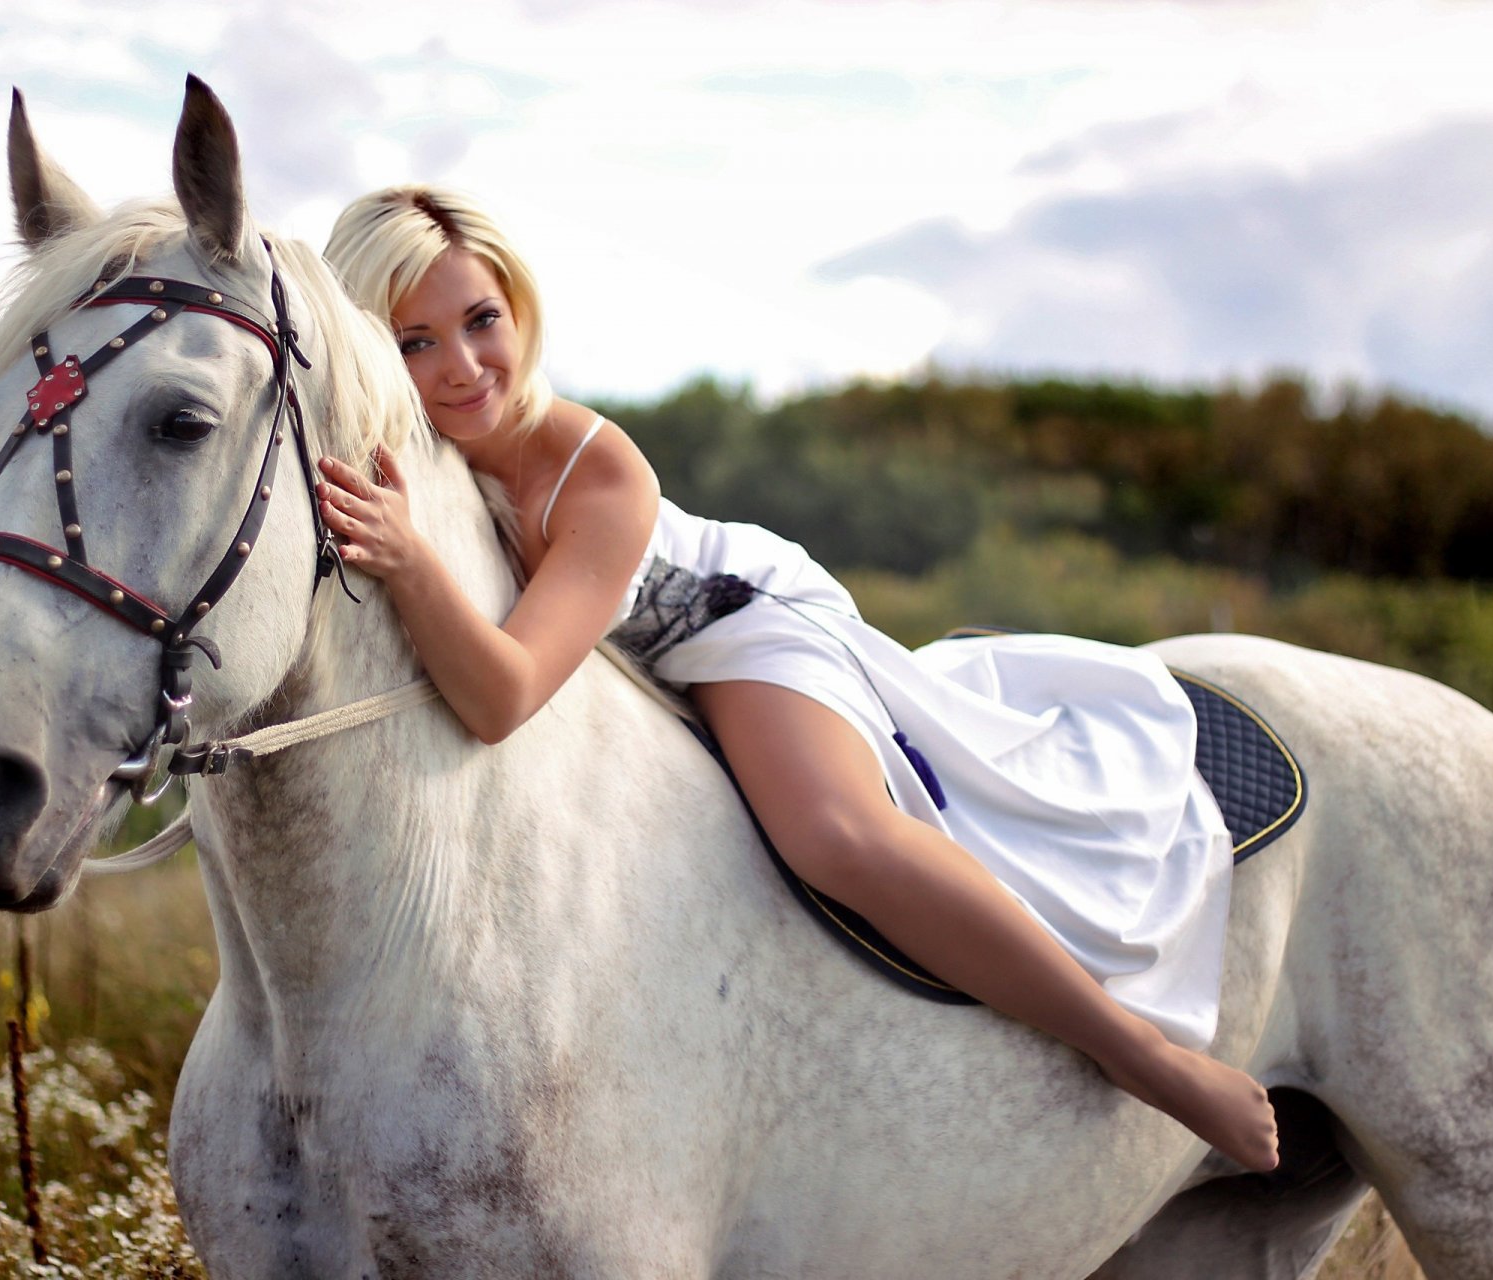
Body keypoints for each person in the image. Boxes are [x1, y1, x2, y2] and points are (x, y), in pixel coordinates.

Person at [315, 185, 1279, 1173]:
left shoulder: (592, 468)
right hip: (643, 672)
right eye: (415, 341)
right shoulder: (419, 453)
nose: (464, 366)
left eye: (482, 320)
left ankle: (1146, 1059)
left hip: (736, 622)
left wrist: (410, 559)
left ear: (519, 310)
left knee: (834, 833)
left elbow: (503, 694)